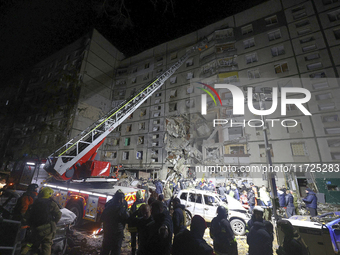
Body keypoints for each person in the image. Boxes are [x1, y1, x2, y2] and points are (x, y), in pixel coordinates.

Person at [22, 186, 62, 255]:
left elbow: (27, 215)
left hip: (35, 229)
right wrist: (54, 222)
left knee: (31, 244)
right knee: (46, 245)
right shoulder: (52, 204)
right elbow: (58, 214)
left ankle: (23, 252)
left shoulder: (35, 203)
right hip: (47, 229)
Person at [100, 190, 129, 255]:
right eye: (122, 199)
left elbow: (102, 218)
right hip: (117, 234)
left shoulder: (108, 205)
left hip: (108, 232)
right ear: (119, 199)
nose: (122, 200)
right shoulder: (121, 209)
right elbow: (127, 219)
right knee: (116, 250)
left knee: (105, 249)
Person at [128, 190, 145, 255]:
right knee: (141, 238)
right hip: (142, 224)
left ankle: (133, 251)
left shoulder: (134, 205)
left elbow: (132, 215)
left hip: (135, 224)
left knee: (134, 238)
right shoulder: (144, 204)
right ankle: (140, 250)